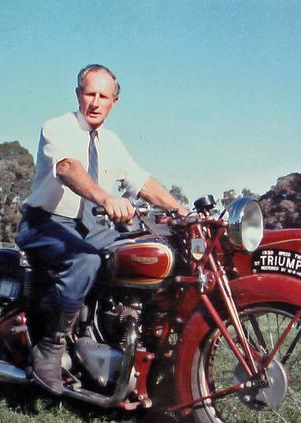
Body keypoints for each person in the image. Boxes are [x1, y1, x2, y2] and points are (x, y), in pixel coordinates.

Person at [15, 64, 188, 395]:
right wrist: (105, 197)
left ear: (114, 101)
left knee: (157, 245)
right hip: (46, 222)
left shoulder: (112, 142)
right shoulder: (59, 127)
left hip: (91, 227)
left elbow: (142, 182)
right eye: (89, 94)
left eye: (103, 96)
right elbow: (68, 168)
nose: (95, 102)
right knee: (86, 261)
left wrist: (181, 211)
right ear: (78, 94)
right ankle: (50, 350)